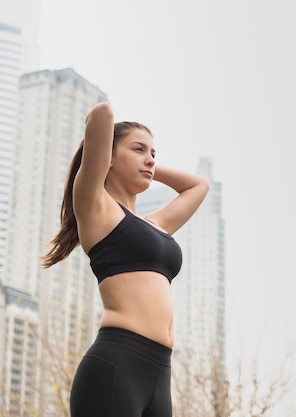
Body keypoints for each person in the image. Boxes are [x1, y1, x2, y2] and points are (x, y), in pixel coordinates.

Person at [41, 102, 210, 417]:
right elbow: (101, 114)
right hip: (117, 363)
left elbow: (199, 186)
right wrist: (105, 154)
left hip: (161, 372)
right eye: (139, 149)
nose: (150, 158)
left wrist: (146, 166)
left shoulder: (155, 224)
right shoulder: (96, 208)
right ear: (109, 158)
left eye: (154, 153)